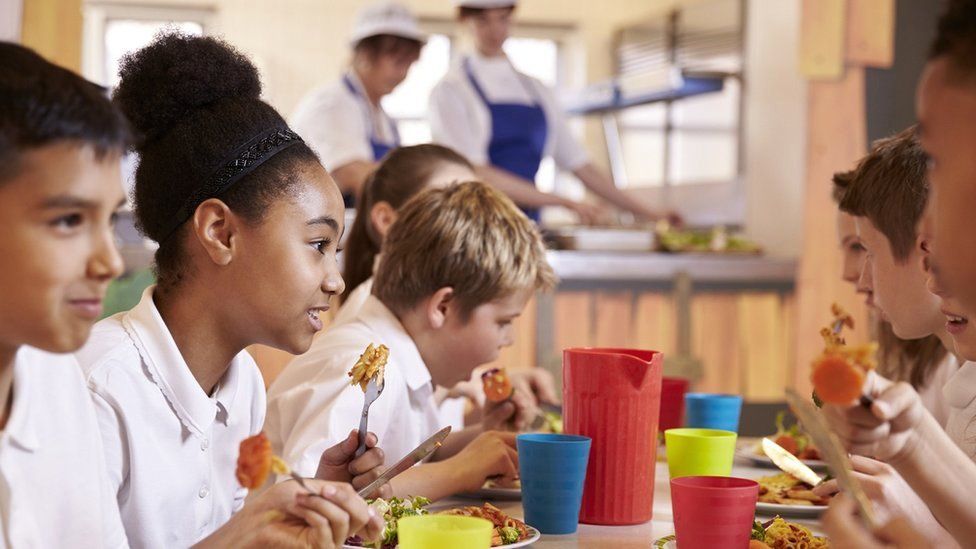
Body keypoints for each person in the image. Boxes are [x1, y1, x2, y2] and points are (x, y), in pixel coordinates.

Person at [74, 33, 383, 548]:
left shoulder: (242, 386)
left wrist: (309, 504)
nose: (336, 279)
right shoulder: (98, 389)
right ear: (220, 232)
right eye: (317, 243)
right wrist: (247, 534)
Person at [266, 181, 556, 502]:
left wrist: (483, 442)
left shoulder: (408, 364)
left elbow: (405, 467)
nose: (509, 339)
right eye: (503, 322)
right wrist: (459, 470)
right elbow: (310, 502)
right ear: (442, 307)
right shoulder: (361, 368)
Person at [337, 144, 559, 429]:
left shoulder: (426, 327)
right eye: (446, 199)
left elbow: (421, 447)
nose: (471, 217)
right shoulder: (369, 351)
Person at [429, 0, 676, 225]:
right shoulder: (452, 90)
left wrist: (650, 213)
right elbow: (476, 172)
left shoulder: (536, 90)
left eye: (502, 18)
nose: (495, 31)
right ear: (464, 21)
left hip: (526, 224)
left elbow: (582, 166)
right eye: (483, 20)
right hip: (475, 224)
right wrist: (563, 201)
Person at [291, 2, 424, 206]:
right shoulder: (333, 104)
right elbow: (354, 175)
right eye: (397, 62)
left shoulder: (382, 116)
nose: (402, 73)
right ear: (364, 55)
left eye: (408, 64)